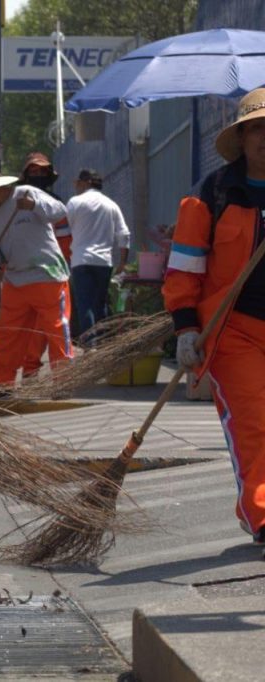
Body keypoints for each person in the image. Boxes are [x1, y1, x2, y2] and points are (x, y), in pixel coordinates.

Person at [164, 88, 265, 544]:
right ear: (241, 138)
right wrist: (186, 328)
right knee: (254, 421)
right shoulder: (212, 194)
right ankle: (263, 516)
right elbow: (184, 268)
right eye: (256, 128)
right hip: (235, 330)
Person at [0, 163, 72, 388]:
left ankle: (63, 383)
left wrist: (34, 205)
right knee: (8, 335)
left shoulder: (26, 193)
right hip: (15, 280)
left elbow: (60, 211)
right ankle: (3, 384)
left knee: (56, 331)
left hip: (47, 275)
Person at [19, 152, 72, 376]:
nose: (37, 174)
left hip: (51, 275)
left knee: (54, 327)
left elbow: (65, 240)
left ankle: (61, 377)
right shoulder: (14, 203)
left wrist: (62, 267)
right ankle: (29, 371)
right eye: (33, 171)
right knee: (28, 328)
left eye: (42, 171)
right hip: (22, 275)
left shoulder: (56, 205)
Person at [67, 169, 130, 338]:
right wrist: (123, 262)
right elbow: (124, 234)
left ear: (85, 182)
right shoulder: (111, 205)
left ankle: (90, 344)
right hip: (104, 262)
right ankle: (103, 343)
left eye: (78, 183)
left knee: (85, 305)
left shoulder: (75, 202)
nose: (77, 186)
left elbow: (66, 229)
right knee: (100, 304)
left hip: (81, 261)